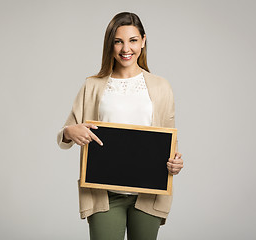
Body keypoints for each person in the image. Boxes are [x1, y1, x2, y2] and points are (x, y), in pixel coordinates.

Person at [57, 12, 184, 240]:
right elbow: (67, 132)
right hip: (103, 193)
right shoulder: (92, 86)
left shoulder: (161, 87)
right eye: (118, 41)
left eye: (133, 40)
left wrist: (175, 162)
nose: (126, 48)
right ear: (110, 45)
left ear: (143, 41)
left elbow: (169, 139)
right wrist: (69, 131)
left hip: (148, 194)